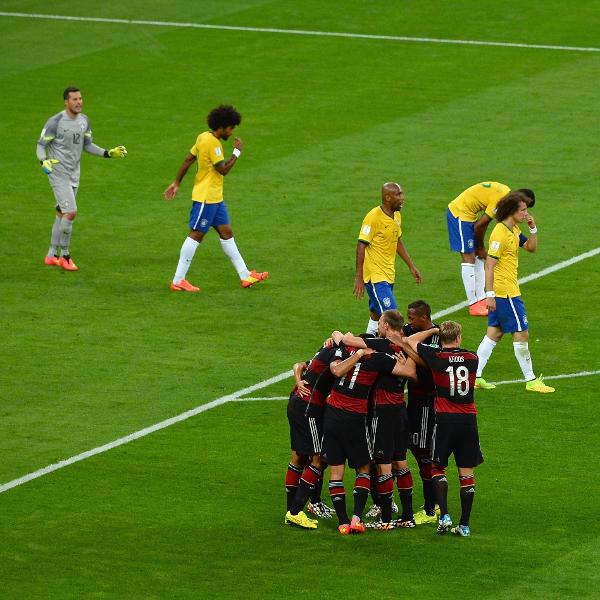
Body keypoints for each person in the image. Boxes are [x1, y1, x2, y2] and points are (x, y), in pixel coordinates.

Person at [164, 105, 267, 292]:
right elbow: (223, 169)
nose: (232, 131)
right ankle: (178, 280)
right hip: (206, 199)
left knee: (226, 233)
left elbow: (188, 159)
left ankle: (245, 276)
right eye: (231, 128)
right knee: (196, 234)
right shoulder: (213, 144)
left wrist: (177, 182)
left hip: (216, 199)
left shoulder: (202, 136)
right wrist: (237, 152)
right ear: (222, 126)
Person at [321, 335, 414, 535]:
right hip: (355, 419)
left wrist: (353, 350)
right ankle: (356, 519)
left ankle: (343, 522)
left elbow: (336, 367)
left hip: (332, 417)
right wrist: (407, 356)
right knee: (364, 469)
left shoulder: (342, 351)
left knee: (336, 472)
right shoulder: (378, 358)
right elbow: (410, 372)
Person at [341, 310, 420, 529]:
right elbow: (413, 373)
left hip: (382, 411)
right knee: (401, 462)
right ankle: (408, 516)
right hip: (400, 410)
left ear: (385, 325)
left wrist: (338, 335)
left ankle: (385, 520)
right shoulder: (408, 346)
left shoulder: (381, 345)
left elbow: (348, 340)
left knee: (384, 465)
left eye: (380, 324)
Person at [37, 87, 127, 271]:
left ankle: (51, 255)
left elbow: (87, 145)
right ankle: (65, 256)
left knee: (61, 212)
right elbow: (40, 145)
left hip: (74, 173)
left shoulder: (84, 120)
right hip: (58, 172)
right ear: (66, 102)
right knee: (71, 212)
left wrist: (108, 153)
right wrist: (43, 161)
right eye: (74, 99)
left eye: (80, 98)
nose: (79, 102)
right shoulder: (55, 121)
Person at [407, 320, 483, 537]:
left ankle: (445, 516)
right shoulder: (473, 358)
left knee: (437, 468)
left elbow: (410, 340)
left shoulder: (436, 357)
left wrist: (433, 330)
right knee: (466, 473)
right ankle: (464, 525)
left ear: (441, 340)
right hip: (468, 421)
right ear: (459, 337)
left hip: (444, 420)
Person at [474, 192, 555, 393]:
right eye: (523, 210)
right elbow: (489, 265)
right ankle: (531, 380)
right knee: (522, 333)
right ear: (512, 211)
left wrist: (533, 228)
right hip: (505, 293)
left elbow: (531, 247)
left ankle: (475, 376)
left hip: (507, 290)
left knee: (494, 334)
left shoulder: (514, 229)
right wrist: (489, 295)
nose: (526, 213)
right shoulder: (499, 234)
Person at [446, 182, 535, 316]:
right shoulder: (500, 200)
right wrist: (481, 248)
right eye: (523, 209)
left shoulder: (505, 197)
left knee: (477, 257)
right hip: (459, 213)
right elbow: (480, 226)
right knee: (469, 257)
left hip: (469, 214)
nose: (525, 213)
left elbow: (503, 224)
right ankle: (473, 304)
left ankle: (481, 299)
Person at [354, 182, 422, 335]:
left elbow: (396, 240)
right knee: (393, 318)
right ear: (387, 197)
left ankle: (367, 343)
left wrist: (411, 266)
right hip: (375, 277)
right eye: (398, 195)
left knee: (375, 315)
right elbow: (361, 245)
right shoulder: (373, 217)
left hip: (389, 274)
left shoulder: (396, 215)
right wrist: (359, 277)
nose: (402, 198)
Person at [284, 339, 338, 530]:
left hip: (297, 403)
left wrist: (298, 381)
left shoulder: (325, 349)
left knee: (298, 457)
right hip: (309, 408)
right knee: (319, 459)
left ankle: (292, 511)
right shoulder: (338, 355)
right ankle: (295, 512)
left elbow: (298, 365)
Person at [401, 300, 440, 525]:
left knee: (424, 453)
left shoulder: (438, 336)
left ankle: (430, 508)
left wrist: (406, 347)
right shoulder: (409, 330)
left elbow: (429, 365)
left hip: (427, 402)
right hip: (413, 401)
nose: (409, 321)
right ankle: (434, 502)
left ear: (424, 317)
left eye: (412, 317)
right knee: (410, 448)